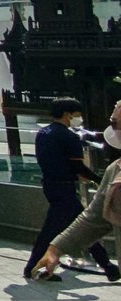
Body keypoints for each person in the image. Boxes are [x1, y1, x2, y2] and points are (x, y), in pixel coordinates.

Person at [22, 97, 120, 281]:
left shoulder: (43, 133)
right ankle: (107, 266)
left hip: (50, 186)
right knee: (68, 226)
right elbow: (79, 169)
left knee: (68, 226)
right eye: (77, 114)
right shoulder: (69, 137)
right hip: (65, 188)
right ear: (68, 114)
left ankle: (107, 267)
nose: (79, 118)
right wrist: (100, 180)